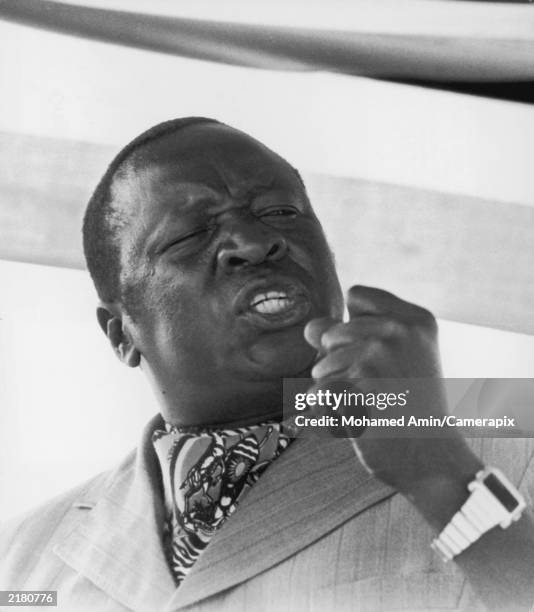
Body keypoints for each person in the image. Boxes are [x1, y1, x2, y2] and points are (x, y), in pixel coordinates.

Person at [1, 117, 533, 612]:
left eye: (282, 213)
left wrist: (443, 475)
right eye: (189, 235)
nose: (256, 243)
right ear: (122, 334)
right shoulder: (25, 556)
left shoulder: (507, 428)